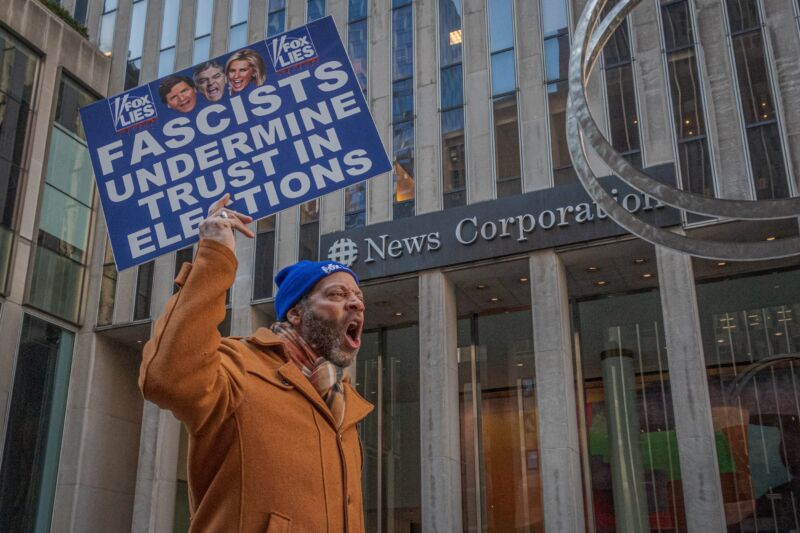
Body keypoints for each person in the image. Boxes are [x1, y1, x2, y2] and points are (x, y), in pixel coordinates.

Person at [139, 194, 373, 532]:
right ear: (296, 314)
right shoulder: (239, 366)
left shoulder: (343, 402)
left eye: (358, 296)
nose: (356, 303)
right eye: (337, 294)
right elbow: (168, 377)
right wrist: (215, 255)